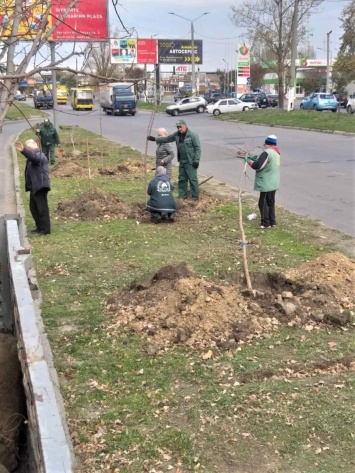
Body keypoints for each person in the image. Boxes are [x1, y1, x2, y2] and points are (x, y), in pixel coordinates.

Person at [147, 119, 201, 201]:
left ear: (185, 126)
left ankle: (195, 197)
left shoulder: (193, 135)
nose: (179, 129)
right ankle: (182, 195)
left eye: (181, 127)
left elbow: (198, 148)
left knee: (192, 179)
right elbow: (167, 139)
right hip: (182, 161)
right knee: (182, 179)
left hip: (191, 161)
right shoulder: (177, 135)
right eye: (178, 127)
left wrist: (196, 160)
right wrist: (155, 139)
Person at [15, 138, 51, 235]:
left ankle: (46, 230)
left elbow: (34, 158)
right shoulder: (33, 156)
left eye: (27, 149)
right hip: (34, 187)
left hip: (40, 186)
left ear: (30, 149)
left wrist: (23, 151)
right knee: (34, 208)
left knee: (42, 209)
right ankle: (39, 227)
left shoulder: (40, 156)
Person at [245, 134, 281, 229]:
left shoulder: (267, 152)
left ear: (268, 144)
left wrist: (248, 161)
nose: (264, 146)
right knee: (270, 202)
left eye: (265, 144)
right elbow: (267, 163)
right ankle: (272, 222)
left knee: (263, 203)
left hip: (266, 182)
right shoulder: (276, 153)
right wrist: (256, 160)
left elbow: (258, 166)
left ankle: (265, 223)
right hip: (274, 181)